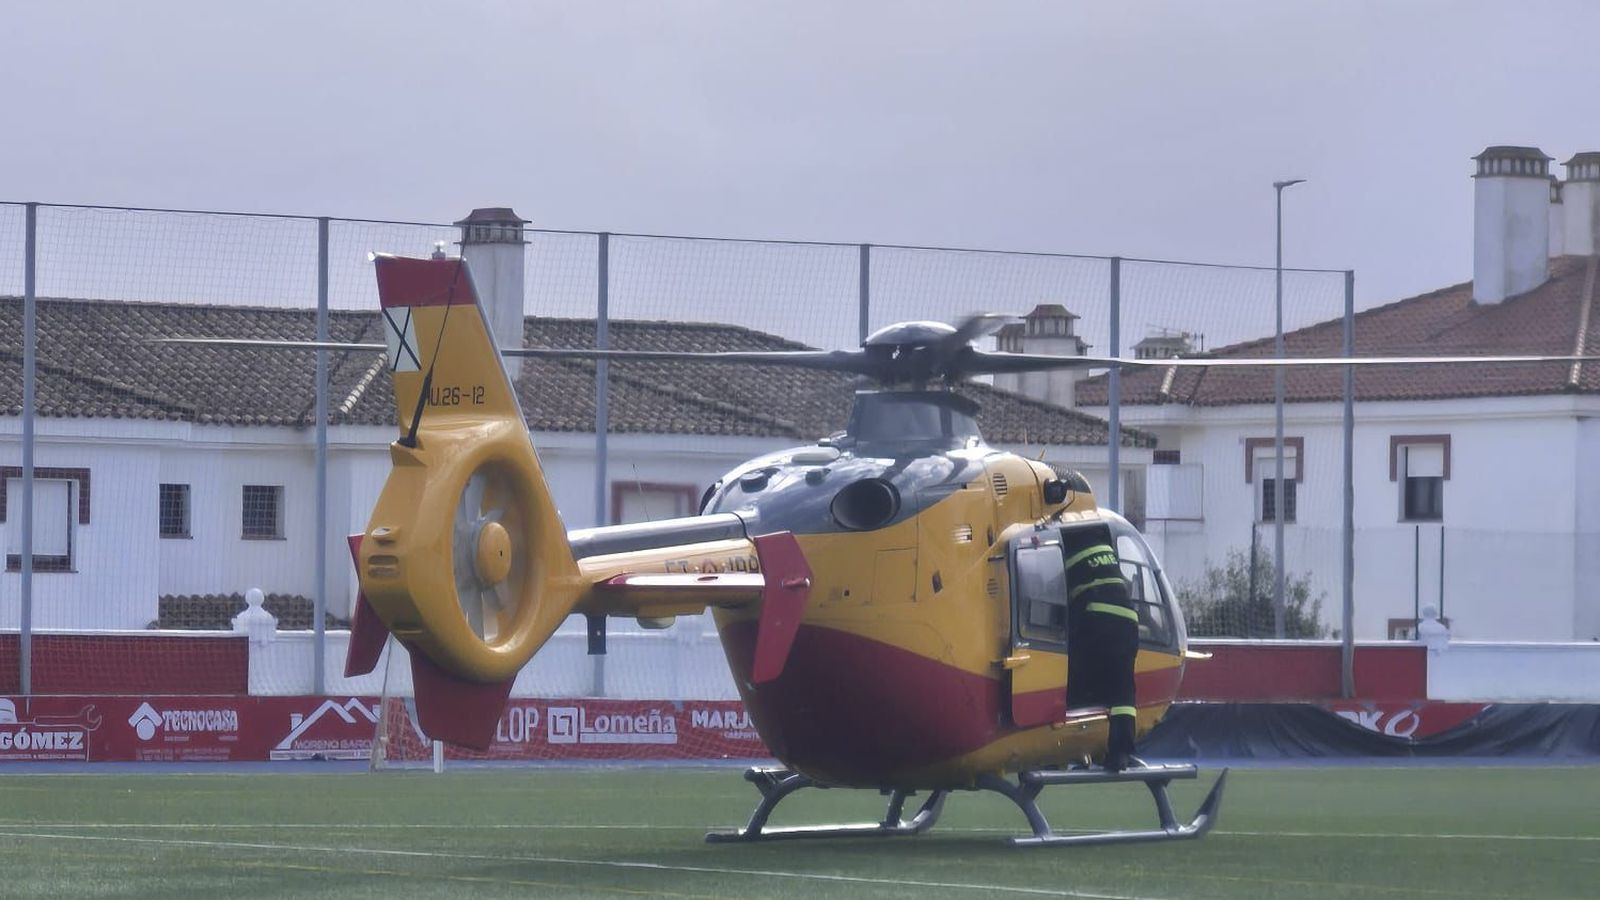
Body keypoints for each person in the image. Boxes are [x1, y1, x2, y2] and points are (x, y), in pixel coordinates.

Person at [1061, 521, 1140, 771]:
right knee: (1122, 692)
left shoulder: (1065, 544)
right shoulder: (1104, 547)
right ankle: (1120, 753)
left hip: (1096, 617)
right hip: (1128, 620)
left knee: (1071, 679)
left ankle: (1061, 747)